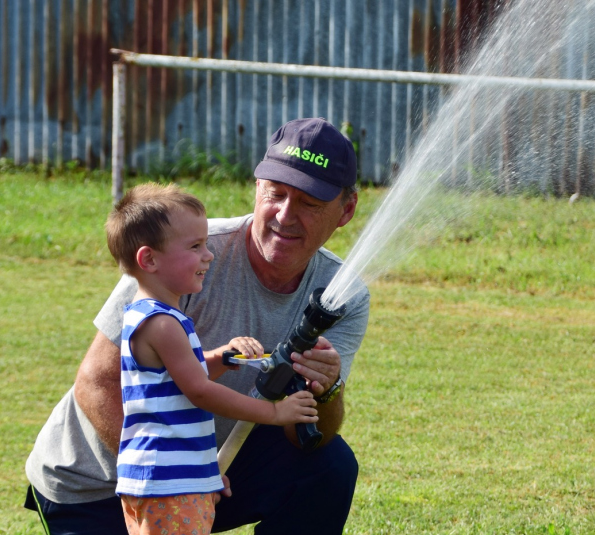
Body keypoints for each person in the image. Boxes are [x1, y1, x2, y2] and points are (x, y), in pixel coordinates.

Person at [25, 117, 370, 535]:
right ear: (257, 187)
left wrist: (328, 389)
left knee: (328, 466)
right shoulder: (184, 255)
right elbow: (97, 383)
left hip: (202, 473)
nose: (285, 215)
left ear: (345, 210)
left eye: (309, 204)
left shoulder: (341, 295)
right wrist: (180, 479)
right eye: (276, 194)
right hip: (99, 482)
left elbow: (308, 438)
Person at [105, 183, 319, 534]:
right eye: (195, 246)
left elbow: (179, 376)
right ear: (149, 259)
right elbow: (199, 390)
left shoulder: (150, 316)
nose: (209, 255)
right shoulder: (163, 323)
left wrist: (225, 356)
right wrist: (275, 412)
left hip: (167, 479)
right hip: (169, 484)